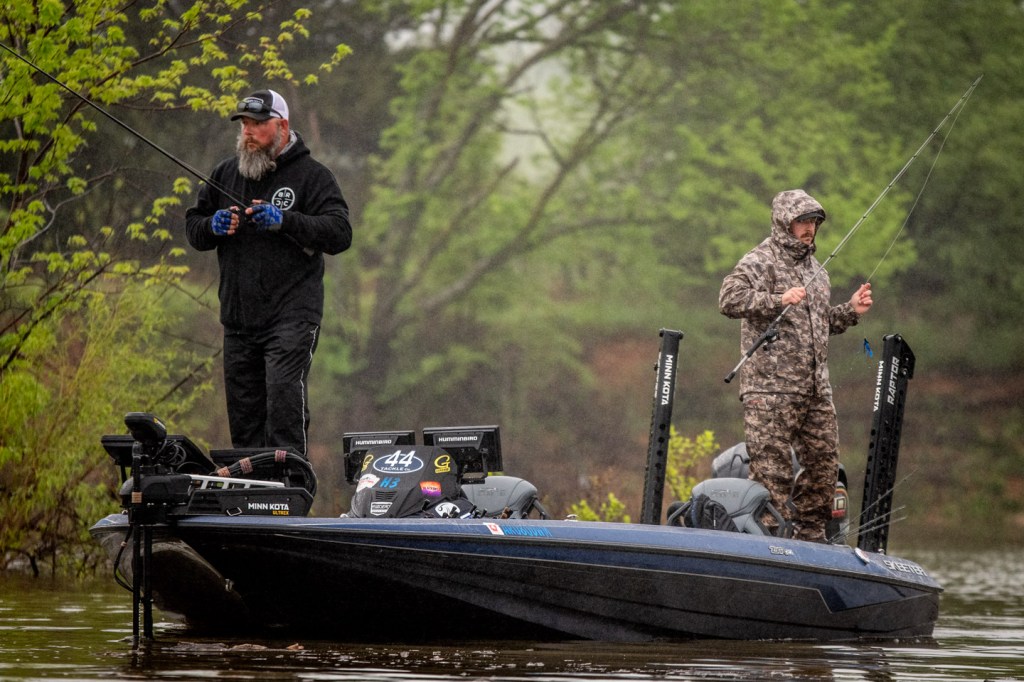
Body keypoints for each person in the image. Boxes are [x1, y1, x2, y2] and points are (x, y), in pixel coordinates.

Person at [185, 89, 352, 457]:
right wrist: (212, 225)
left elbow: (340, 233)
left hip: (292, 317)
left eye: (258, 123)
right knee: (245, 424)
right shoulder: (225, 174)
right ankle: (253, 489)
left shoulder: (312, 176)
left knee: (282, 403)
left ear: (282, 126)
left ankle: (293, 484)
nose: (248, 132)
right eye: (244, 124)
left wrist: (286, 221)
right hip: (239, 320)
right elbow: (193, 226)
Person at [719, 189, 872, 542]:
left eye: (814, 221)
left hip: (815, 391)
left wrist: (850, 311)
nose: (809, 228)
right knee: (772, 475)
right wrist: (777, 299)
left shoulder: (818, 272)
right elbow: (728, 298)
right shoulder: (760, 260)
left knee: (824, 469)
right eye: (802, 221)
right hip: (770, 390)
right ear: (783, 222)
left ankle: (810, 540)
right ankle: (768, 543)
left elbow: (818, 325)